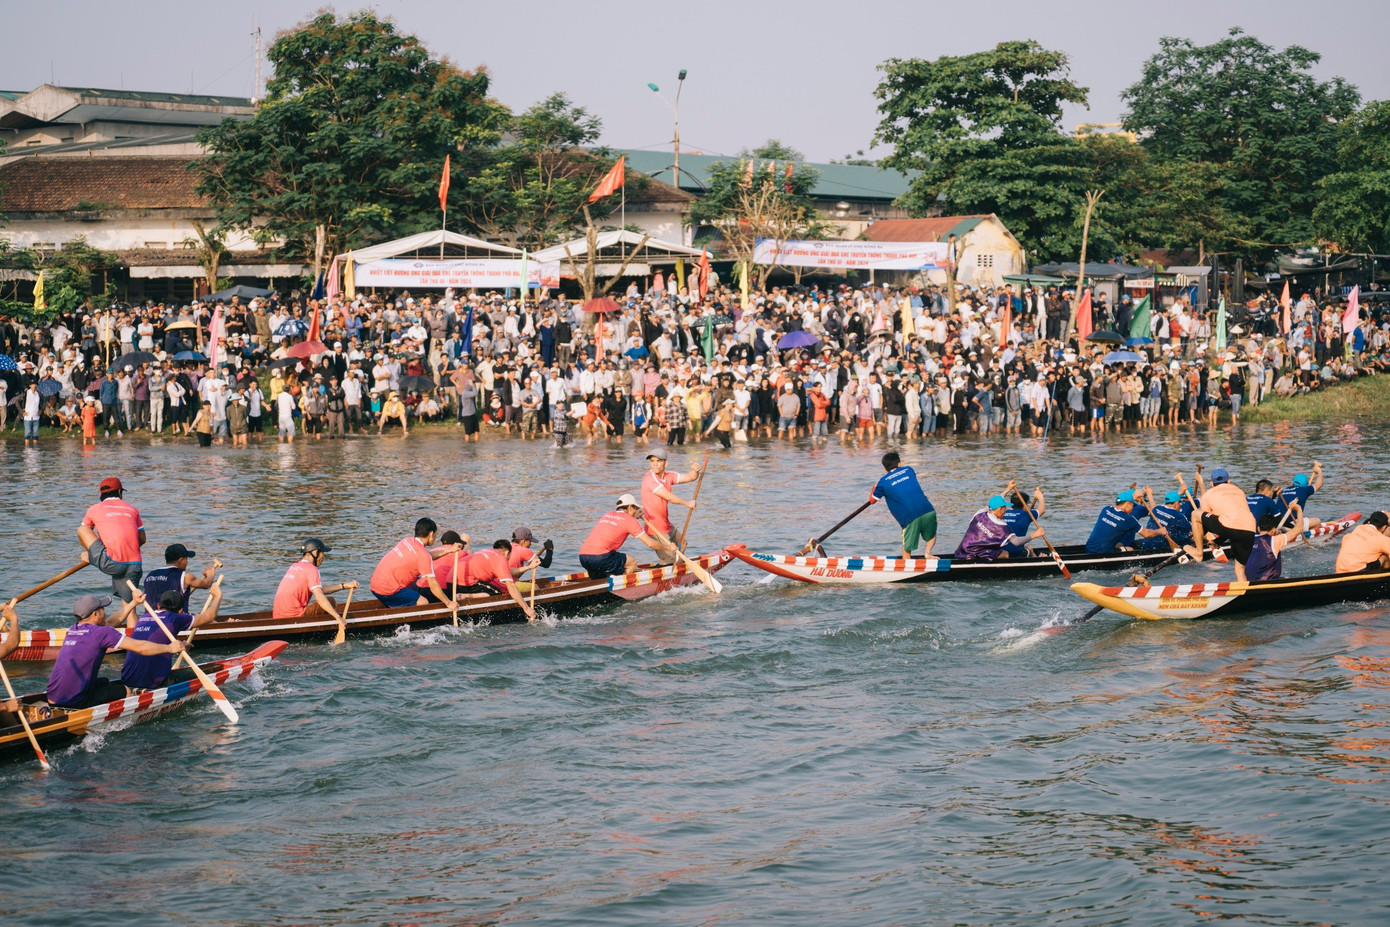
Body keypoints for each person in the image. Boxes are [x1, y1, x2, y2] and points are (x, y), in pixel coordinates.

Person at [45, 593, 184, 710]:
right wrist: (170, 648)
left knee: (104, 682)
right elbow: (140, 648)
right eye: (103, 609)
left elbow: (111, 623)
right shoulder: (101, 633)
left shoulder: (73, 629)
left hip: (52, 697)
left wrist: (134, 603)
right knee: (126, 690)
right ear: (95, 614)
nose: (105, 612)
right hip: (73, 701)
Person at [120, 580, 226, 692]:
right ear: (180, 611)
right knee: (206, 672)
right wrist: (218, 596)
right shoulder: (175, 618)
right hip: (152, 683)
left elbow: (158, 638)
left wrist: (180, 644)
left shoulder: (144, 618)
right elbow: (209, 617)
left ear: (158, 606)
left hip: (128, 679)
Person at [273, 538, 359, 637]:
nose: (323, 557)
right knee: (330, 601)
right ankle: (326, 632)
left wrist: (343, 586)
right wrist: (338, 618)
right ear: (315, 552)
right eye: (322, 553)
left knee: (325, 603)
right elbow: (320, 596)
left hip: (278, 616)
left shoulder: (295, 566)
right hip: (294, 617)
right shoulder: (311, 569)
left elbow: (320, 590)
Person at [78, 476, 145, 602]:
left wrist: (91, 553)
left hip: (111, 562)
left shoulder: (94, 509)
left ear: (100, 493)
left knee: (82, 529)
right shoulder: (132, 509)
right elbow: (142, 539)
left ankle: (90, 556)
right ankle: (132, 622)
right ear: (120, 492)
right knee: (130, 606)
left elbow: (83, 534)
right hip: (135, 565)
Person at [578, 493, 678, 577]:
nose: (635, 511)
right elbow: (650, 544)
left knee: (598, 576)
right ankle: (625, 586)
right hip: (601, 558)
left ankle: (598, 588)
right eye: (635, 509)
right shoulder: (630, 521)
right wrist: (668, 547)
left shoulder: (607, 514)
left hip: (583, 557)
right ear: (630, 507)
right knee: (632, 562)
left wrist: (635, 516)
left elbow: (620, 522)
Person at [1187, 467, 1258, 581]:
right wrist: (1218, 541)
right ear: (1229, 481)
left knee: (1195, 514)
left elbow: (1205, 516)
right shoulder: (1239, 491)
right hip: (1250, 529)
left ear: (1212, 483)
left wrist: (1197, 535)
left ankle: (1199, 553)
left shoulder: (1209, 494)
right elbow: (1235, 521)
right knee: (1240, 569)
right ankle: (1244, 594)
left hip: (1229, 525)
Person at [369, 518, 459, 607]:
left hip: (374, 585)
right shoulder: (422, 555)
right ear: (431, 534)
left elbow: (427, 556)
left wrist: (450, 550)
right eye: (435, 534)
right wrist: (448, 603)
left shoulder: (407, 541)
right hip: (387, 590)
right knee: (423, 602)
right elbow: (433, 584)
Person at [869, 451, 938, 558]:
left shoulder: (883, 482)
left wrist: (875, 485)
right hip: (928, 510)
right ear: (899, 463)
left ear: (884, 469)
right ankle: (928, 552)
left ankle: (906, 564)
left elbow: (872, 501)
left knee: (907, 548)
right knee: (931, 536)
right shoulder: (909, 470)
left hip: (910, 517)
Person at [640, 448, 704, 564]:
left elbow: (691, 477)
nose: (654, 464)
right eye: (652, 461)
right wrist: (687, 503)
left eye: (658, 461)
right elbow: (669, 496)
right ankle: (669, 574)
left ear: (666, 463)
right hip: (654, 527)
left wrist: (696, 470)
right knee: (668, 559)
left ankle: (678, 569)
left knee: (682, 543)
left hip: (665, 523)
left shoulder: (669, 476)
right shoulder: (649, 479)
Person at [455, 540, 537, 621]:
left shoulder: (488, 552)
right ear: (507, 552)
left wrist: (529, 567)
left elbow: (508, 572)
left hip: (453, 581)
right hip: (465, 583)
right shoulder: (501, 559)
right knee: (496, 593)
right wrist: (526, 608)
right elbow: (511, 586)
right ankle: (464, 596)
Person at [953, 494, 1041, 561]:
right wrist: (1034, 535)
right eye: (1004, 509)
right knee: (1005, 554)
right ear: (999, 509)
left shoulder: (979, 514)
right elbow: (1016, 542)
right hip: (976, 555)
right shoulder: (1002, 527)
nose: (1005, 512)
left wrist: (1007, 489)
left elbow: (991, 504)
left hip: (962, 551)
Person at [142, 543, 220, 614]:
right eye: (186, 559)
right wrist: (210, 574)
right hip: (174, 621)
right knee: (207, 618)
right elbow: (206, 584)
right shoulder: (185, 576)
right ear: (181, 560)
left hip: (149, 620)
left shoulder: (150, 575)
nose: (187, 562)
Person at [1085, 488, 1169, 554]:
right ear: (1128, 504)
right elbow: (1147, 534)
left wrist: (1132, 497)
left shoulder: (1106, 509)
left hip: (1089, 548)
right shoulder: (1127, 519)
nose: (1133, 508)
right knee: (1130, 549)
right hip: (1104, 553)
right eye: (1132, 505)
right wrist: (1160, 531)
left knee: (1118, 544)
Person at [1245, 505, 1306, 581]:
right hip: (1267, 582)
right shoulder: (1275, 540)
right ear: (1273, 530)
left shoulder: (1249, 540)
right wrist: (1298, 509)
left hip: (1248, 582)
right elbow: (1299, 529)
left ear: (1258, 528)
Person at [1000, 485, 1046, 559]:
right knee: (1029, 548)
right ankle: (1039, 559)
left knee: (1028, 547)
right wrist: (1040, 497)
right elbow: (1042, 510)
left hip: (1000, 551)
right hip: (1014, 553)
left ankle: (1034, 556)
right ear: (1025, 505)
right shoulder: (1026, 514)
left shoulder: (1002, 513)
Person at [1279, 463, 1325, 530]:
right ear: (1305, 485)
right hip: (1291, 525)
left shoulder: (1283, 491)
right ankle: (1309, 537)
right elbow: (1319, 483)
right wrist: (1319, 471)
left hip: (1279, 523)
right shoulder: (1304, 490)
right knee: (1317, 521)